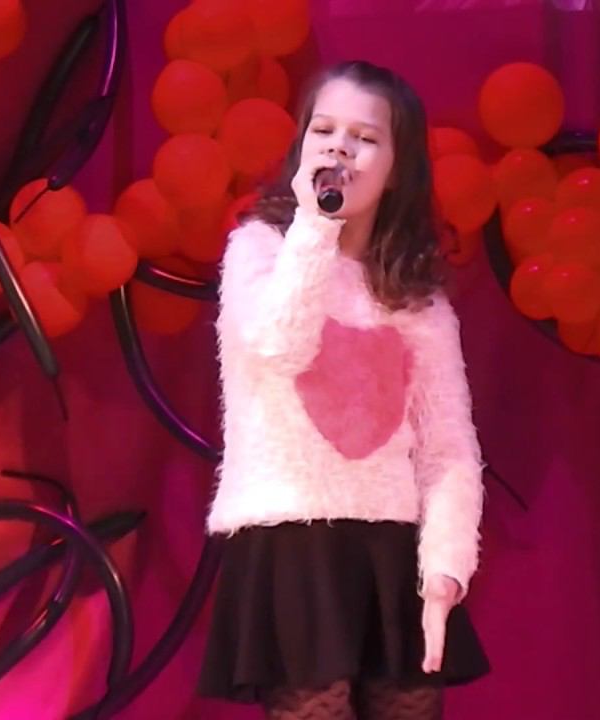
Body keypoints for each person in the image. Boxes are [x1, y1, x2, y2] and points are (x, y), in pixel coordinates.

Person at [197, 60, 489, 720]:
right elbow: (277, 347)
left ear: (398, 166)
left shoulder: (416, 297)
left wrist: (444, 567)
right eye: (324, 130)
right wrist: (316, 224)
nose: (339, 149)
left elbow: (447, 448)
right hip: (291, 539)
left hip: (392, 550)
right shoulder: (260, 251)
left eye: (365, 137)